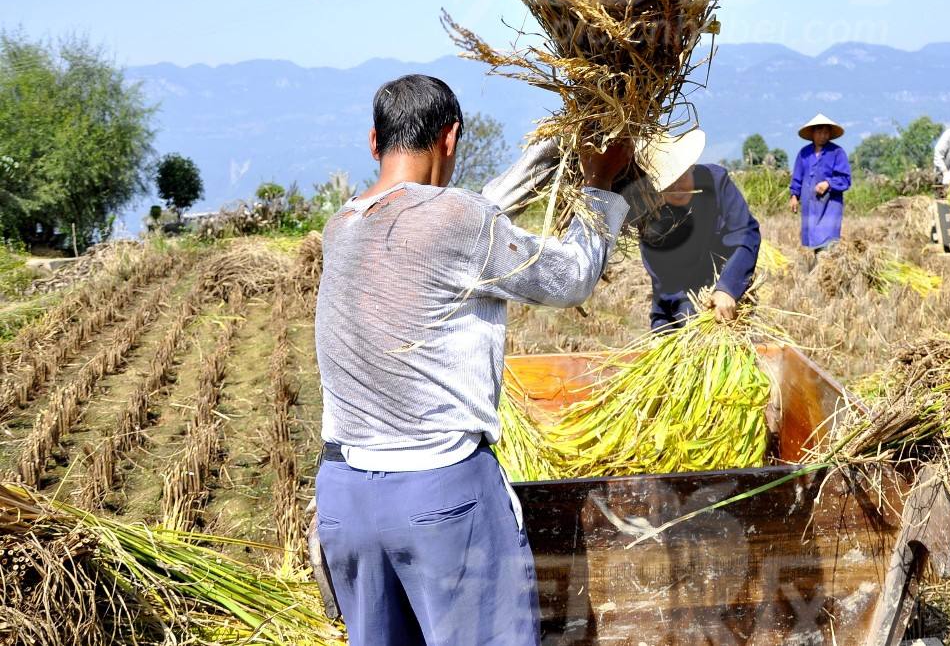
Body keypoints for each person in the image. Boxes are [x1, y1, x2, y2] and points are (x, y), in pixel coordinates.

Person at [312, 74, 631, 646]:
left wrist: (549, 150)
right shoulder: (459, 221)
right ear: (451, 138)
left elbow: (455, 213)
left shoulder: (342, 226)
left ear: (373, 142)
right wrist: (598, 184)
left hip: (344, 502)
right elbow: (570, 278)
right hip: (438, 499)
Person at [636, 128, 761, 331]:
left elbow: (746, 234)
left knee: (732, 345)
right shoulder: (650, 216)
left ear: (691, 166)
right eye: (668, 184)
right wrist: (696, 320)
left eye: (681, 177)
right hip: (674, 298)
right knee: (672, 342)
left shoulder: (717, 182)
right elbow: (668, 284)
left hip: (727, 284)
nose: (677, 189)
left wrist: (728, 287)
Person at [789, 114, 851, 257]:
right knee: (811, 242)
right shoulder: (804, 154)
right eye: (819, 132)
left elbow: (845, 179)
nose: (823, 136)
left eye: (826, 132)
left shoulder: (837, 153)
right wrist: (794, 196)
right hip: (810, 205)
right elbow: (797, 177)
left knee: (828, 243)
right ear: (812, 133)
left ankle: (825, 271)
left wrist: (828, 183)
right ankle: (814, 272)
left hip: (829, 206)